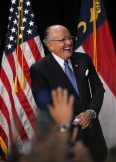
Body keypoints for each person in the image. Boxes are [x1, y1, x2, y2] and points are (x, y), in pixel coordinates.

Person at [30, 24, 107, 162]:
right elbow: (45, 105)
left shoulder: (84, 59)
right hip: (66, 139)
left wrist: (90, 112)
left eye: (70, 38)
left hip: (93, 134)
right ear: (50, 45)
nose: (69, 42)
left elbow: (98, 88)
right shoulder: (39, 69)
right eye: (63, 40)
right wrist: (78, 120)